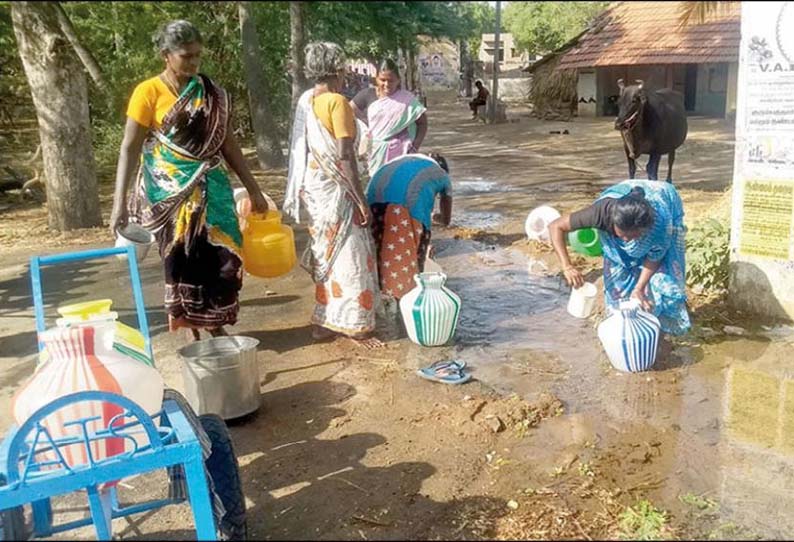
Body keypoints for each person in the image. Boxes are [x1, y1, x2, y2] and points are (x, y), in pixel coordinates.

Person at [109, 20, 268, 341]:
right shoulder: (148, 92)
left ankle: (213, 318)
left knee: (225, 259)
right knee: (182, 259)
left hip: (213, 188)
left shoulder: (212, 95)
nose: (194, 63)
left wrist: (253, 188)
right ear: (166, 55)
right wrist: (118, 205)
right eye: (186, 56)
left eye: (198, 56)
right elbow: (129, 148)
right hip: (168, 193)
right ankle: (195, 327)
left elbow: (228, 143)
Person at [286, 42, 382, 348]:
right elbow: (345, 157)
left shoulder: (307, 100)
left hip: (314, 191)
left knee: (326, 254)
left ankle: (325, 321)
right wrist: (360, 198)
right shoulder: (337, 102)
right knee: (351, 255)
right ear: (338, 70)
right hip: (337, 190)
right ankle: (354, 325)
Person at [548, 180, 690, 336]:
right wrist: (567, 266)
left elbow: (655, 257)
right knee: (618, 282)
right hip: (629, 197)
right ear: (614, 222)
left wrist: (639, 287)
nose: (627, 240)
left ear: (645, 230)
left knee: (666, 279)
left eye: (633, 236)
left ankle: (666, 327)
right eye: (622, 235)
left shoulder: (660, 225)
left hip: (664, 197)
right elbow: (556, 226)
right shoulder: (601, 212)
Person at [367, 153, 453, 302]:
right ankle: (404, 304)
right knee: (408, 264)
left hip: (372, 206)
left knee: (378, 257)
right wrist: (432, 218)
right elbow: (446, 220)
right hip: (403, 211)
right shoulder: (442, 175)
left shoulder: (396, 161)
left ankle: (378, 300)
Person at [366, 59, 428, 176]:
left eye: (391, 80)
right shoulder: (368, 96)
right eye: (382, 80)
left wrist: (415, 146)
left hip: (401, 154)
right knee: (376, 188)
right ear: (376, 79)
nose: (386, 84)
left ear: (398, 80)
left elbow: (422, 123)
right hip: (375, 153)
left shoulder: (407, 100)